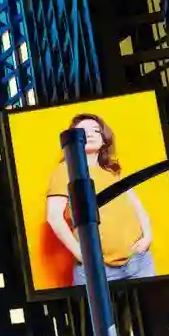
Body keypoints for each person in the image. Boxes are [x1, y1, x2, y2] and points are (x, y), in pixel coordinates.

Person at [45, 113, 155, 284]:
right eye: (82, 131)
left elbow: (137, 207)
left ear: (104, 139)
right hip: (97, 268)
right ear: (73, 139)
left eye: (95, 131)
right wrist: (83, 256)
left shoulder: (113, 172)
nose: (89, 134)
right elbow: (54, 218)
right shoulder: (65, 170)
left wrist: (147, 236)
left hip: (138, 261)